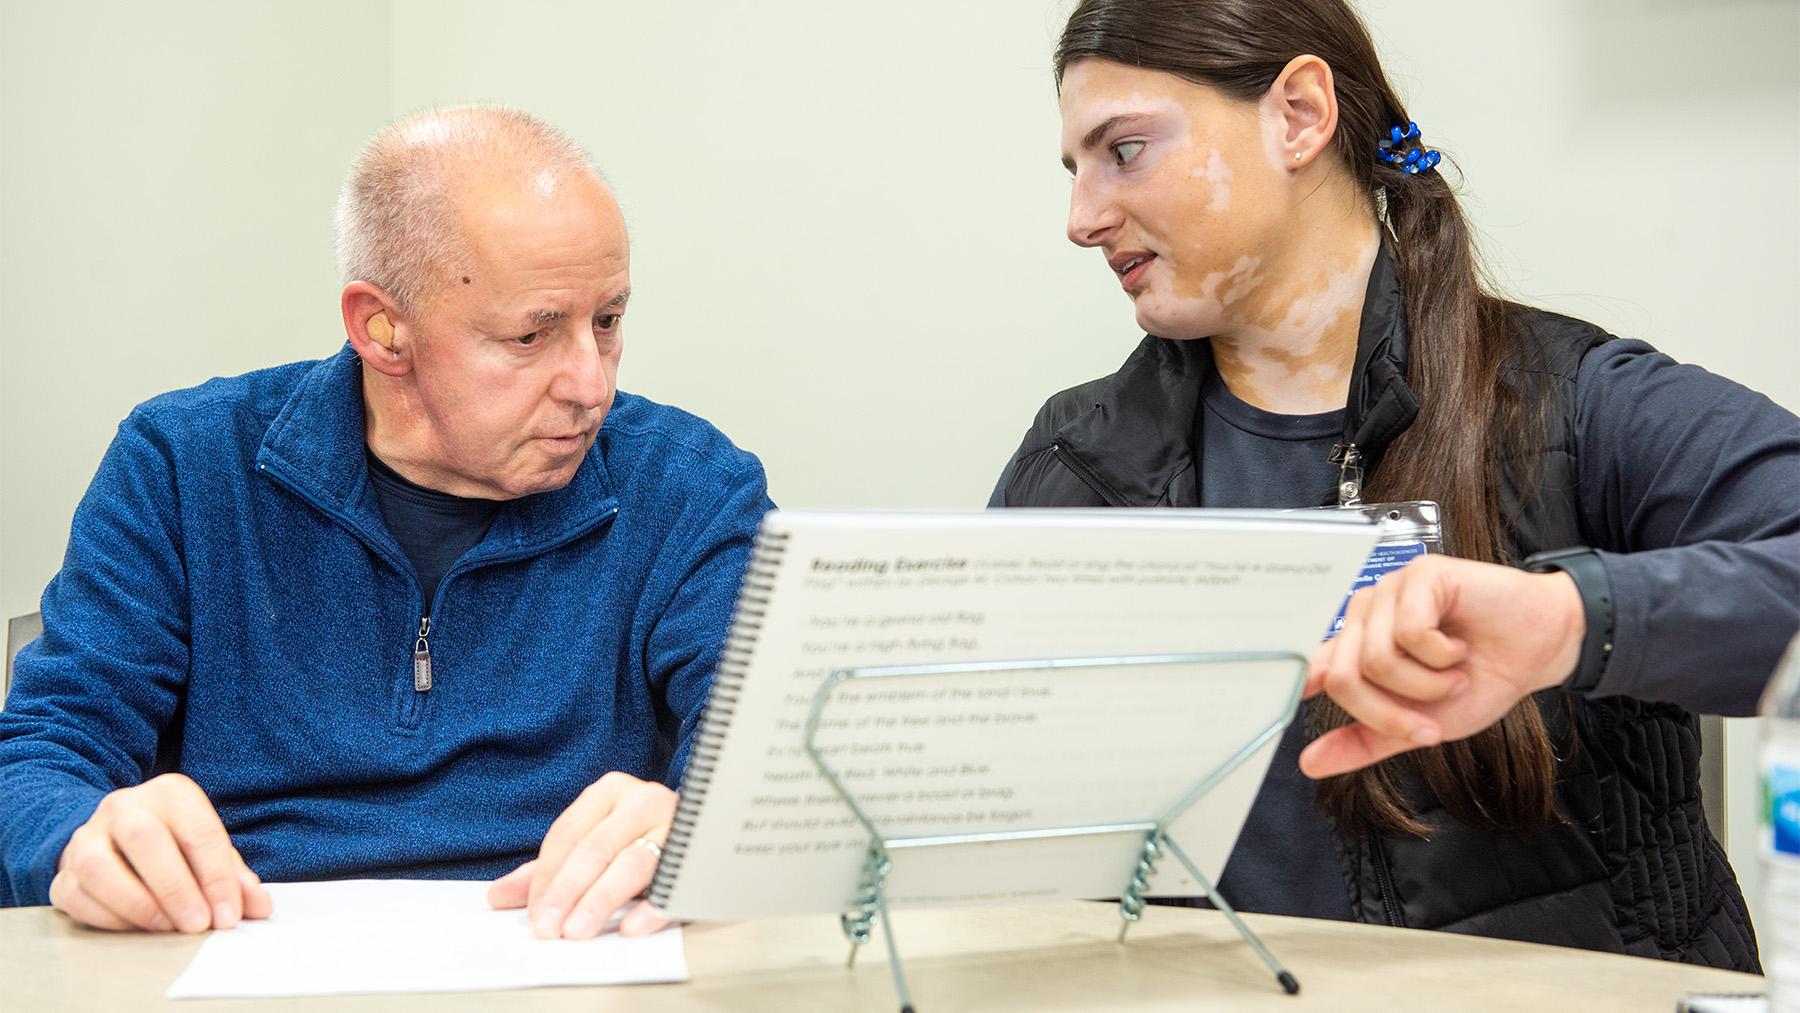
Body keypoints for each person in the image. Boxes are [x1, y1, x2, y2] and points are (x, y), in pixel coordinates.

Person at [991, 0, 1799, 971]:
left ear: (1297, 113)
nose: (1082, 218)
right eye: (1074, 170)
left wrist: (1572, 619)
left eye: (1123, 151)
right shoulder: (1075, 464)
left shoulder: (1576, 405)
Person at [0, 107, 773, 944]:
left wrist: (704, 826)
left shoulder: (692, 488)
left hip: (568, 947)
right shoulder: (183, 467)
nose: (590, 384)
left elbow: (783, 767)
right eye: (531, 335)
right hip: (237, 947)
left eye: (608, 321)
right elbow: (39, 755)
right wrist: (79, 841)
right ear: (382, 330)